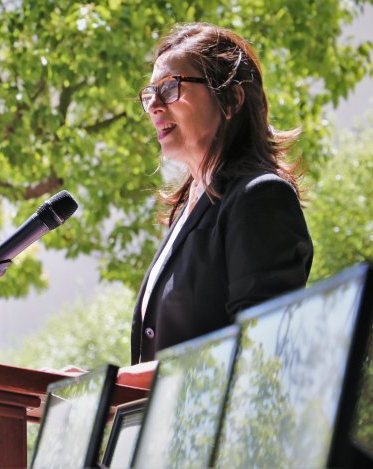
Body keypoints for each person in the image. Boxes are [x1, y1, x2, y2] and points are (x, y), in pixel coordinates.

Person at [118, 23, 313, 386]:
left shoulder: (260, 197)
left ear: (231, 101)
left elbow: (256, 349)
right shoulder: (189, 208)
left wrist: (115, 386)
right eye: (149, 95)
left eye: (170, 88)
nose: (154, 107)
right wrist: (96, 388)